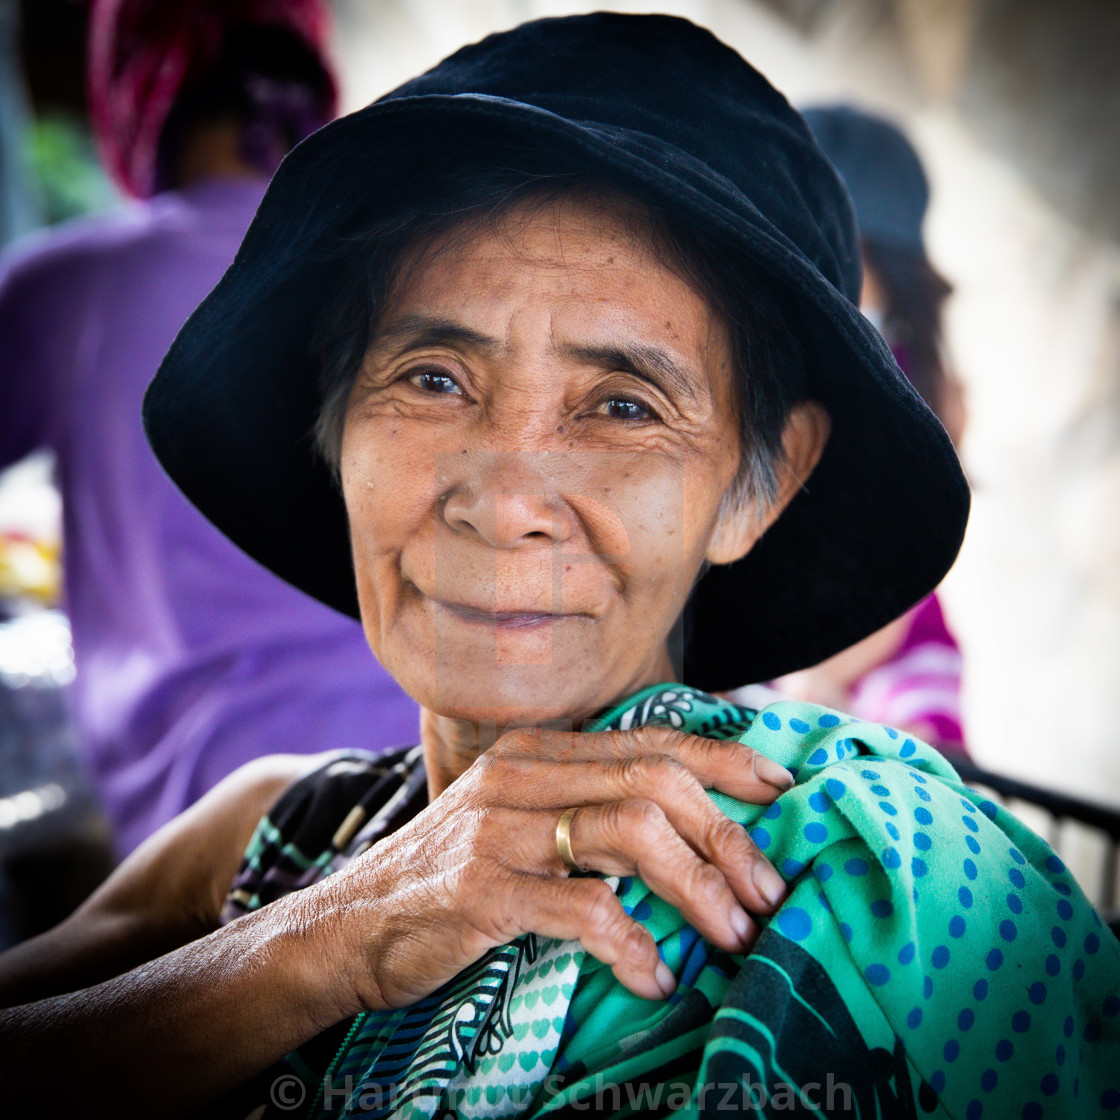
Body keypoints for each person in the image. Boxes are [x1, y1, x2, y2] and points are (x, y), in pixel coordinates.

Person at [1, 15, 1117, 1119]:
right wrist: (329, 938)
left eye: (624, 405)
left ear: (762, 484)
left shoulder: (872, 898)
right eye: (432, 377)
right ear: (334, 417)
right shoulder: (282, 832)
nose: (502, 497)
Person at [0, 0, 417, 856]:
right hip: (440, 772)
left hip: (218, 830)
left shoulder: (78, 287)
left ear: (135, 90)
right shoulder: (392, 270)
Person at [767, 105, 969, 754]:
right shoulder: (761, 352)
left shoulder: (933, 395)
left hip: (877, 649)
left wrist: (819, 680)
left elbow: (909, 570)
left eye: (836, 242)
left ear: (882, 255)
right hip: (760, 634)